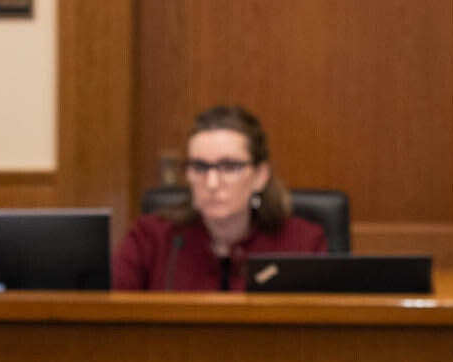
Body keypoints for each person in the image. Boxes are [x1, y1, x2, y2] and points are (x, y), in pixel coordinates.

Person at [113, 104, 326, 292]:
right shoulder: (151, 239)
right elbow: (109, 320)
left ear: (260, 177)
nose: (212, 183)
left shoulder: (303, 244)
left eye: (229, 167)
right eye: (200, 167)